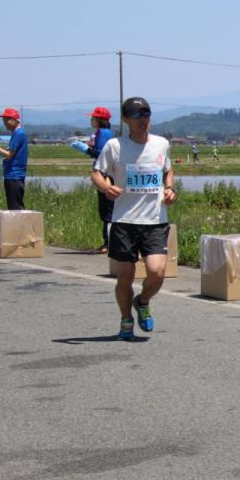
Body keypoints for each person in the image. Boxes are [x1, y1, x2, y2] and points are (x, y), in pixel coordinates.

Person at [91, 97, 177, 340]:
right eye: (137, 115)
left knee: (157, 272)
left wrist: (170, 189)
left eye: (146, 114)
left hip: (155, 220)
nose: (143, 120)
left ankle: (143, 301)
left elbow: (168, 170)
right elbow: (97, 173)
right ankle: (126, 320)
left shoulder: (161, 144)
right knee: (125, 276)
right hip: (124, 221)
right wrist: (105, 188)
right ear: (126, 119)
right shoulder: (115, 146)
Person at [72, 107, 116, 253]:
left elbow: (101, 154)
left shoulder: (103, 133)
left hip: (104, 175)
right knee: (106, 209)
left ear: (99, 120)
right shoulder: (104, 132)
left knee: (106, 210)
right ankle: (108, 242)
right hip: (105, 173)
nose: (91, 120)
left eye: (93, 118)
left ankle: (108, 243)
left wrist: (86, 149)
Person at [0, 107, 29, 210]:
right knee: (13, 205)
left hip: (14, 175)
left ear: (15, 120)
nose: (4, 123)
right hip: (11, 174)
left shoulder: (18, 134)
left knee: (15, 207)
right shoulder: (16, 134)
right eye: (4, 120)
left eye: (7, 120)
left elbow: (9, 154)